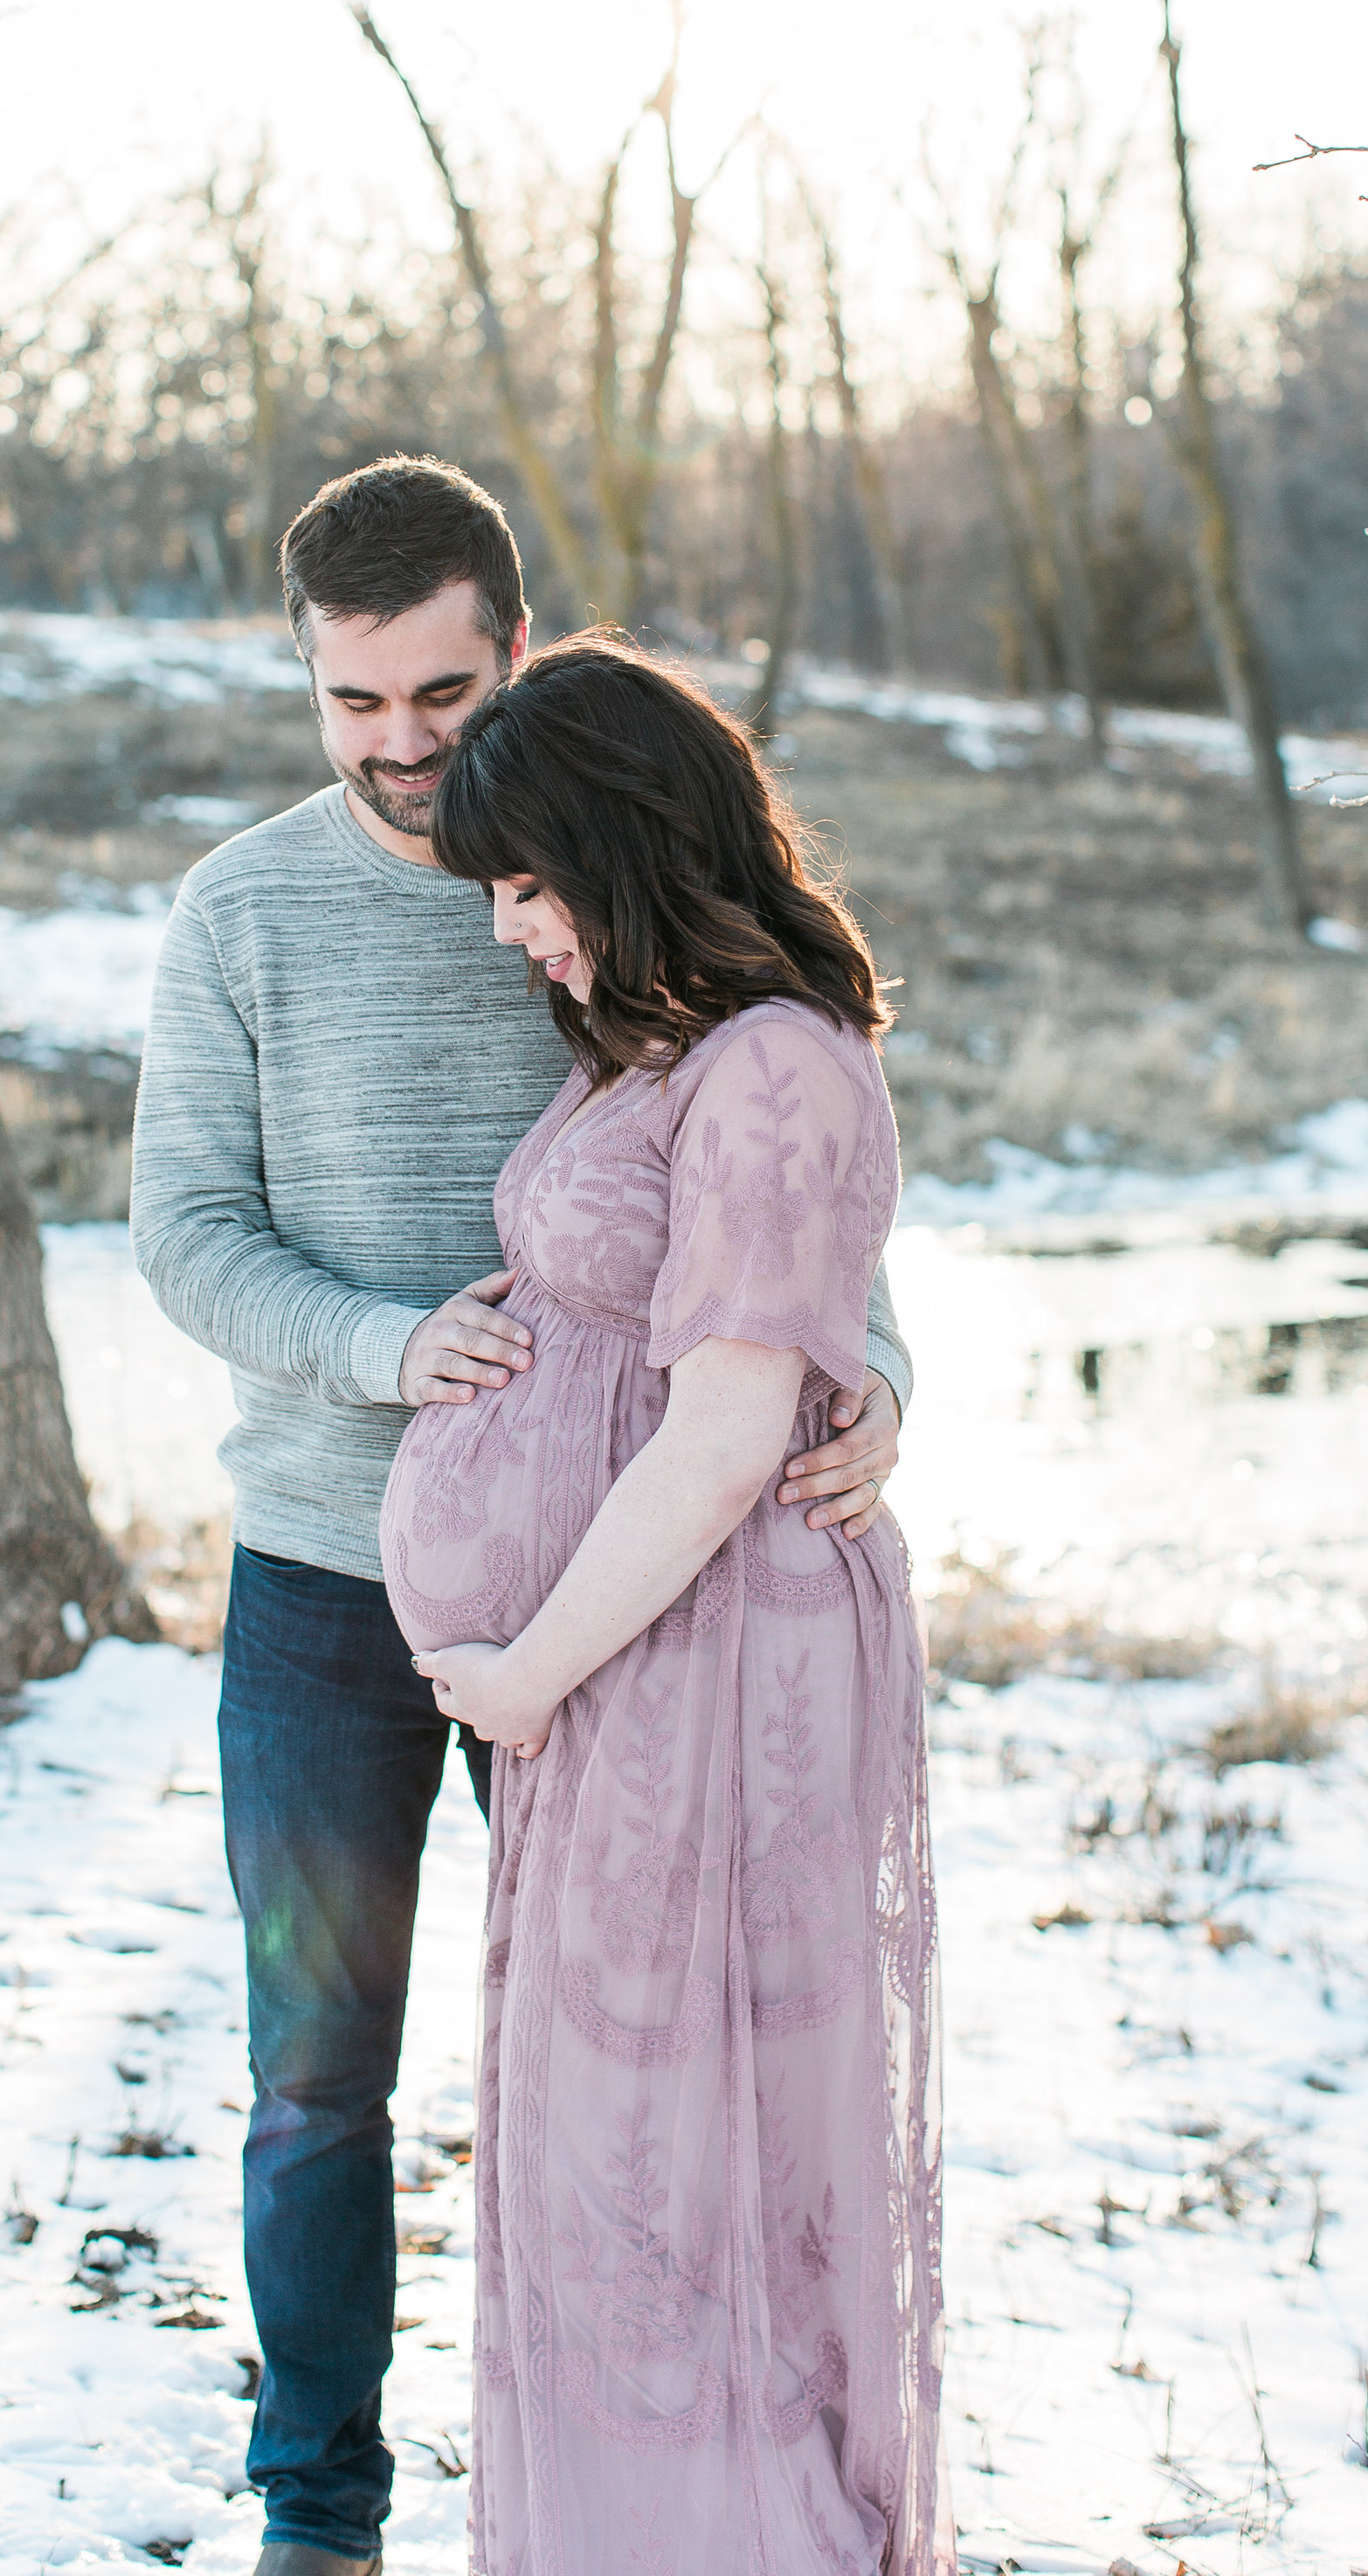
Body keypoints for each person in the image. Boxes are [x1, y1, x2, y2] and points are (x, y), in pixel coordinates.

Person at [132, 456, 915, 2576]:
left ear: (516, 645)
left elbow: (762, 1154)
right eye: (352, 702)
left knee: (642, 2072)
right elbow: (182, 1235)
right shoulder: (241, 914)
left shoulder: (582, 859)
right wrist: (395, 1350)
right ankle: (321, 2510)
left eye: (439, 695)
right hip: (320, 1585)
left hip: (616, 1606)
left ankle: (645, 2492)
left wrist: (883, 1377)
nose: (399, 747)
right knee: (316, 2077)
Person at [383, 637, 951, 2575]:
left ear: (616, 848)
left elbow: (721, 1435)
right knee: (610, 2167)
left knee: (678, 2167)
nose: (507, 934)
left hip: (702, 1670)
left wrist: (527, 1675)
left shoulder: (776, 1064)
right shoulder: (682, 1050)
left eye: (526, 887)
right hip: (629, 1672)